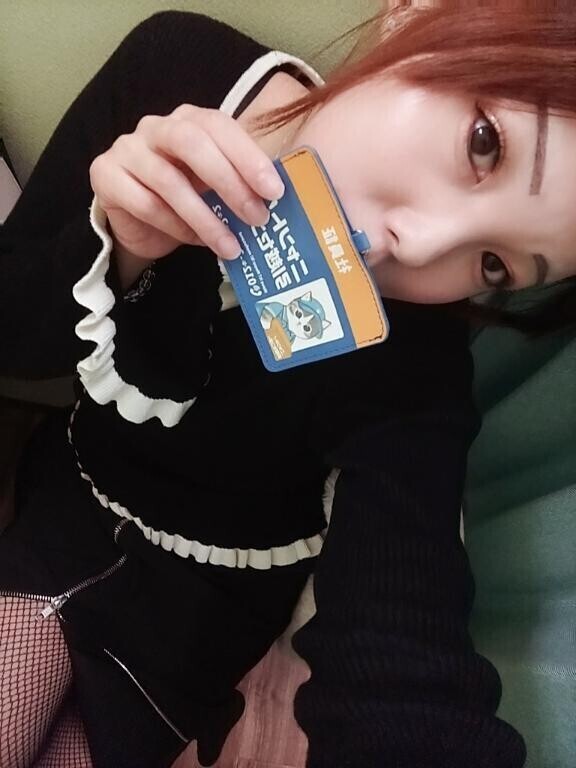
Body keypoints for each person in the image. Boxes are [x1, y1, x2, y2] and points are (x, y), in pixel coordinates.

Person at [0, 4, 575, 767]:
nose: (421, 246)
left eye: (494, 264)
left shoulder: (414, 353)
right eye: (484, 143)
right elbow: (15, 338)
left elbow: (405, 638)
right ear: (417, 13)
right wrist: (121, 244)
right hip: (72, 500)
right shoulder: (173, 69)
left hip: (205, 615)